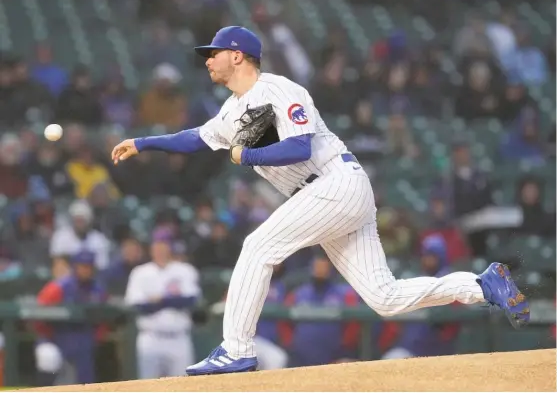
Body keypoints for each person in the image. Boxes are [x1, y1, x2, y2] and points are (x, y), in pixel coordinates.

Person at [110, 26, 530, 376]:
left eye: (214, 52)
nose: (207, 59)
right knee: (384, 297)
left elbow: (299, 147)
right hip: (323, 196)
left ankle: (236, 348)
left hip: (334, 182)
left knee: (258, 247)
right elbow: (194, 138)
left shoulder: (280, 89)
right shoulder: (229, 112)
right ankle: (482, 284)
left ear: (238, 55)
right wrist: (143, 142)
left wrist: (248, 154)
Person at [124, 235, 201, 379]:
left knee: (184, 386)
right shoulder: (140, 272)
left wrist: (159, 300)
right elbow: (139, 306)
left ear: (169, 248)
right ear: (151, 249)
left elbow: (191, 300)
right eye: (157, 246)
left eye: (163, 246)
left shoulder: (184, 270)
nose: (160, 250)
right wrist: (172, 300)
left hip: (179, 338)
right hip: (150, 337)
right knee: (149, 386)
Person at [34, 250, 107, 385]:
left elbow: (104, 321)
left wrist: (96, 338)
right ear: (75, 267)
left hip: (85, 340)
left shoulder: (98, 290)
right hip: (57, 337)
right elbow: (37, 314)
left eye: (88, 267)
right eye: (82, 266)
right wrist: (49, 336)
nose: (86, 270)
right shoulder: (59, 287)